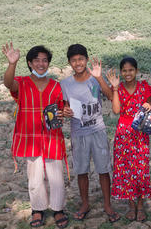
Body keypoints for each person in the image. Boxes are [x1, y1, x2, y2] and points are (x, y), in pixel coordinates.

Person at [2, 42, 69, 228]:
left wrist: (65, 112)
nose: (41, 64)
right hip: (30, 138)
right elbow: (8, 83)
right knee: (35, 177)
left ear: (48, 63)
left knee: (56, 177)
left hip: (52, 138)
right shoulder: (22, 83)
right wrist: (12, 64)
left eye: (45, 60)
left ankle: (58, 209)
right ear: (30, 63)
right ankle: (37, 209)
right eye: (37, 60)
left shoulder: (57, 86)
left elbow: (63, 108)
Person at [60, 44, 120, 222]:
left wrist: (100, 77)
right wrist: (65, 110)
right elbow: (64, 106)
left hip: (98, 130)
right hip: (78, 133)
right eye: (74, 60)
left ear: (86, 60)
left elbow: (110, 95)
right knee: (82, 170)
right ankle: (85, 203)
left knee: (103, 169)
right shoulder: (66, 83)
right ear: (70, 62)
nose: (78, 63)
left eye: (81, 59)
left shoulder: (95, 79)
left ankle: (107, 204)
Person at [106, 57, 151, 222]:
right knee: (126, 169)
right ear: (121, 72)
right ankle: (131, 205)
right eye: (125, 71)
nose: (128, 73)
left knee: (140, 169)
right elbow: (115, 111)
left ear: (137, 71)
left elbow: (149, 106)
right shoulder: (118, 88)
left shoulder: (144, 87)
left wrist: (149, 106)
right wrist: (113, 88)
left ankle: (140, 205)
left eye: (131, 70)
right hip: (123, 133)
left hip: (140, 132)